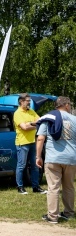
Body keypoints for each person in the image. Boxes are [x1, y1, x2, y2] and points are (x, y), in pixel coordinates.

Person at [35, 96, 76, 224]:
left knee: (53, 187)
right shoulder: (75, 119)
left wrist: (38, 156)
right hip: (71, 158)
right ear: (67, 105)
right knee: (69, 187)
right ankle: (69, 213)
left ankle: (53, 216)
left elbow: (41, 138)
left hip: (53, 158)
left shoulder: (48, 118)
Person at [13, 93, 46, 195]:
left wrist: (31, 124)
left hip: (32, 142)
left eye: (29, 100)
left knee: (35, 165)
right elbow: (24, 128)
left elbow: (40, 120)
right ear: (21, 102)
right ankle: (20, 187)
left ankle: (35, 187)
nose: (29, 102)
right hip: (22, 143)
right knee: (21, 165)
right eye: (27, 101)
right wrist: (33, 124)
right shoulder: (17, 113)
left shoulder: (31, 111)